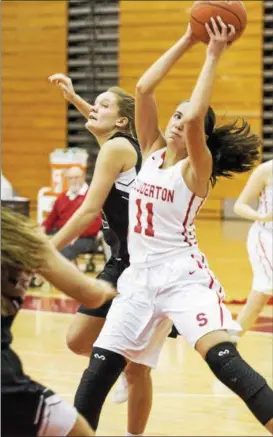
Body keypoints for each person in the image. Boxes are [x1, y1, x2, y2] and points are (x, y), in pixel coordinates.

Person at [71, 19, 273, 435]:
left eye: (187, 118)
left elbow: (197, 117)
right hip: (138, 280)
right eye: (175, 115)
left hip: (183, 278)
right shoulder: (149, 150)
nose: (179, 120)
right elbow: (144, 89)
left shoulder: (197, 169)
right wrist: (188, 38)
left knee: (224, 362)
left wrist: (213, 54)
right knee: (97, 374)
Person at [48, 74, 169, 435]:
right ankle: (115, 369)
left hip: (141, 265)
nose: (92, 109)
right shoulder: (119, 142)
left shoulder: (117, 148)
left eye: (101, 105)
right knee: (79, 341)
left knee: (136, 369)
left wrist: (45, 247)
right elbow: (101, 121)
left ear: (121, 121)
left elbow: (87, 211)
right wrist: (74, 100)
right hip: (122, 260)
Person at [1, 206, 116, 437]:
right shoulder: (15, 232)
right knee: (79, 432)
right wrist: (113, 290)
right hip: (5, 383)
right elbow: (91, 295)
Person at [232, 159, 273, 341]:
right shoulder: (266, 170)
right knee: (265, 288)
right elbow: (239, 205)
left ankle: (230, 341)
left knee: (259, 296)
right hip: (265, 237)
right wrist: (262, 216)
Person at [42, 166, 102, 262]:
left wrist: (73, 234)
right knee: (40, 245)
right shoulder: (62, 197)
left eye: (76, 177)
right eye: (70, 178)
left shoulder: (92, 196)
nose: (74, 181)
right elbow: (51, 219)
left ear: (83, 177)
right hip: (61, 233)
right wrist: (42, 230)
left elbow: (95, 225)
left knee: (61, 251)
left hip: (84, 237)